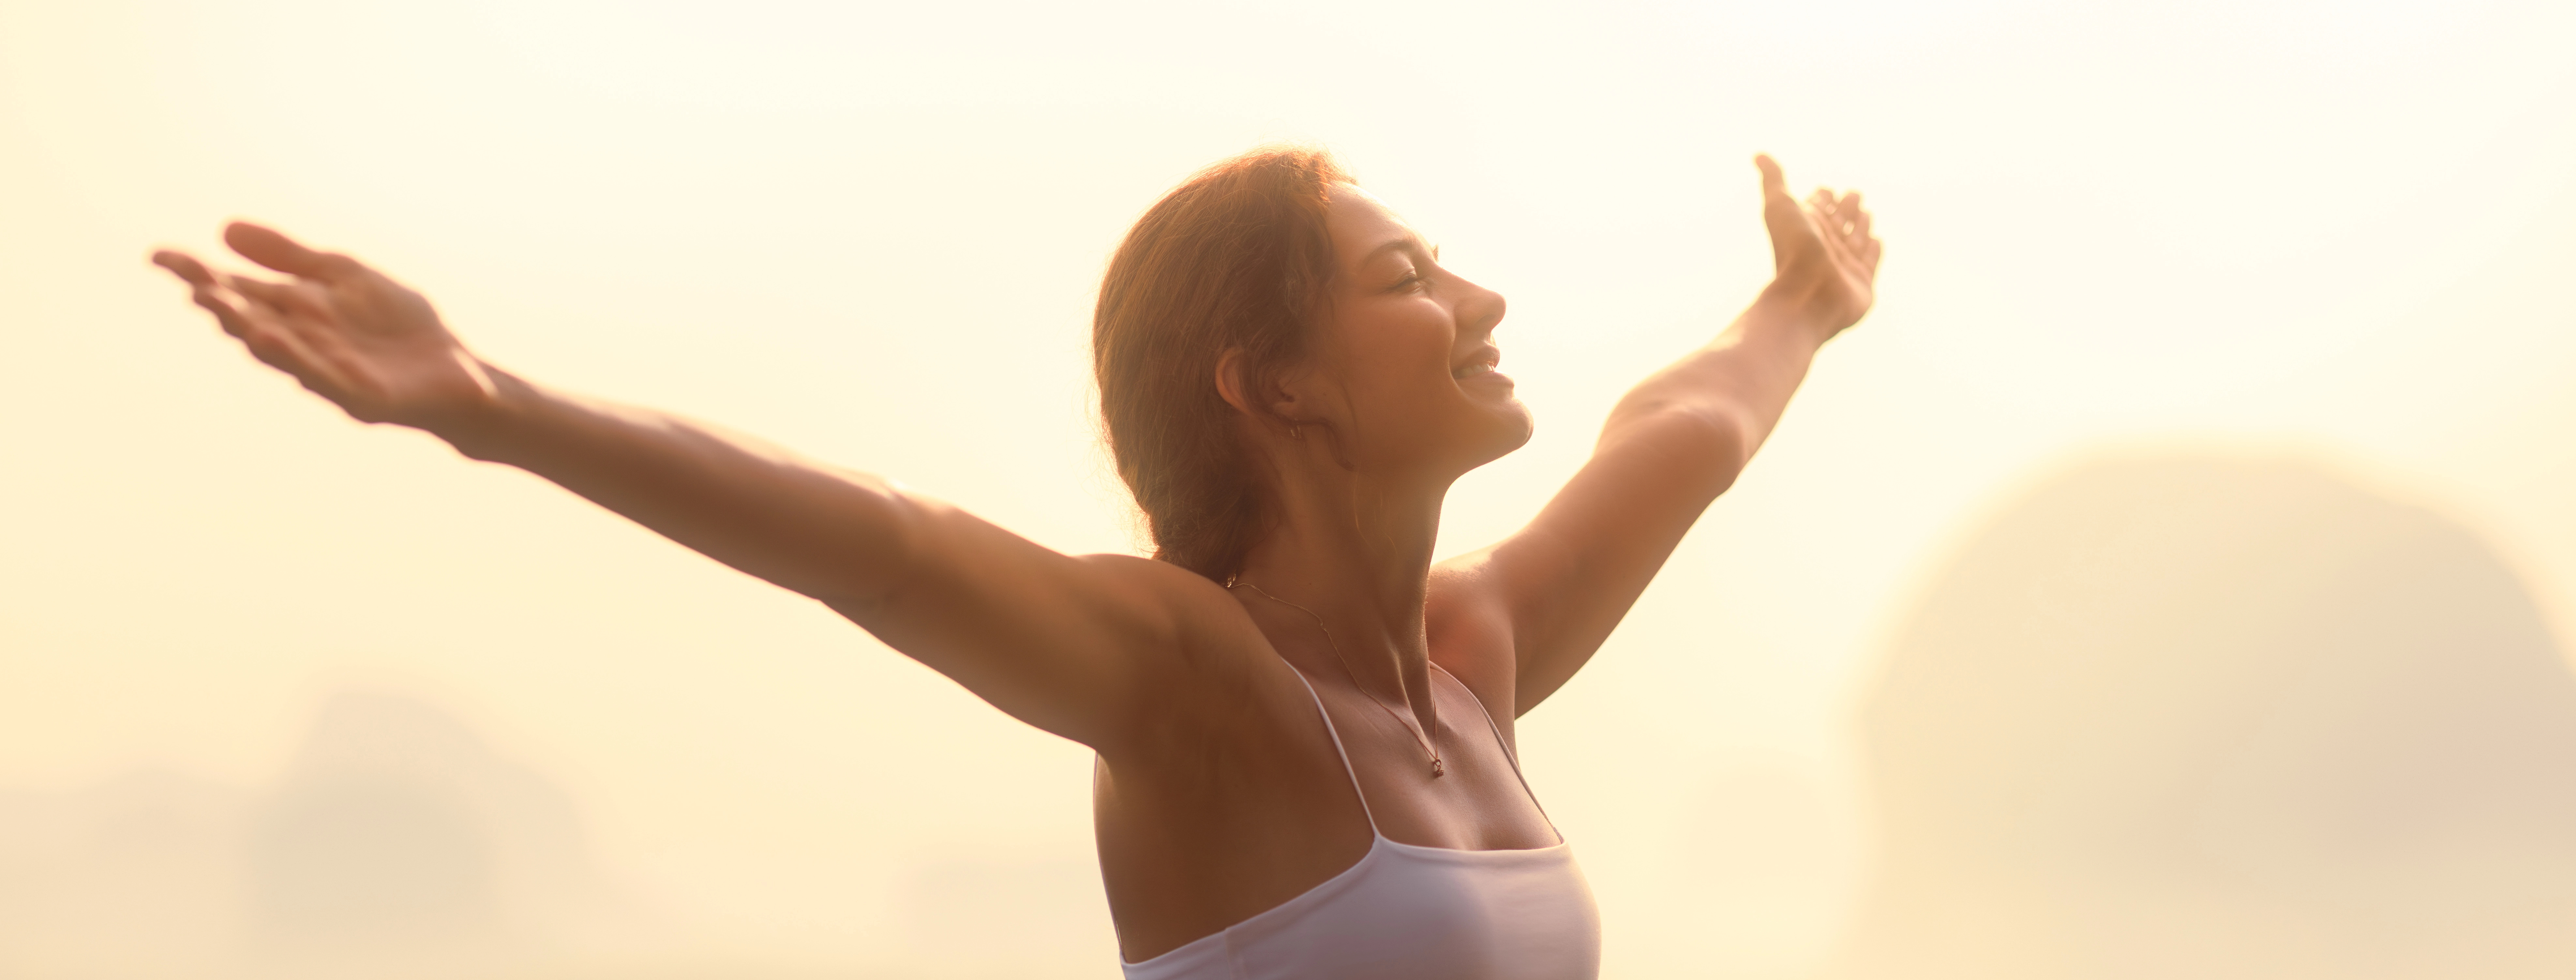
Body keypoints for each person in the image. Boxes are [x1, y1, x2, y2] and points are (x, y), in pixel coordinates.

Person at [153, 147, 1879, 978]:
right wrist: (490, 403)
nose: (1482, 302)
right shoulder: (1195, 679)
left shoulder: (1471, 659)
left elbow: (1686, 434)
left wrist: (1799, 306)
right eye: (1410, 275)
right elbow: (884, 550)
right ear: (1271, 382)